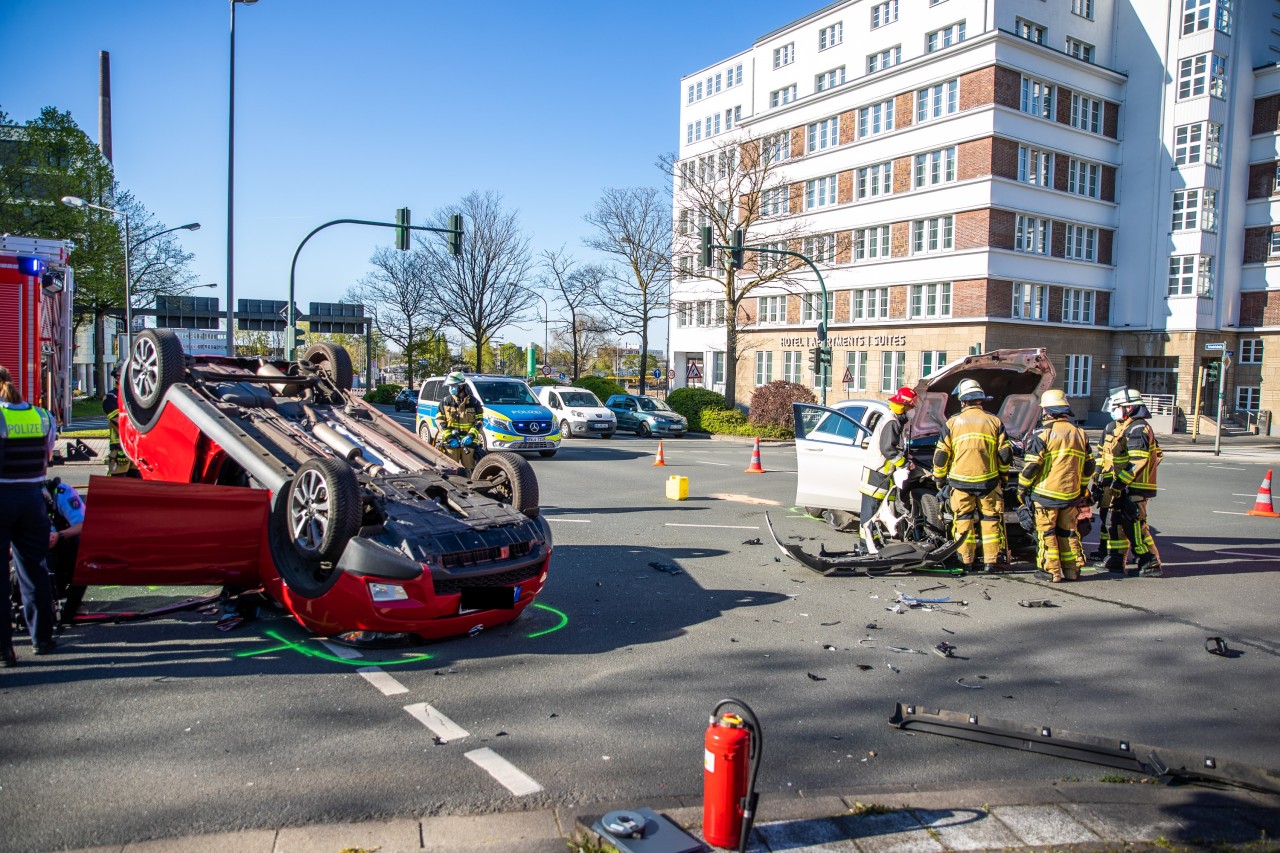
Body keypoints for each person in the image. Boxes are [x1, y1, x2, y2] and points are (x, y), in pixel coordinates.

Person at [0, 365, 59, 666]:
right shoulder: (41, 416)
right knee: (34, 570)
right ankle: (43, 638)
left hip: (3, 497)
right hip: (33, 499)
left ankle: (3, 649)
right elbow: (47, 456)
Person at [932, 379, 1012, 573]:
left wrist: (939, 479)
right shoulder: (994, 421)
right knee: (991, 520)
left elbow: (941, 456)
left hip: (960, 482)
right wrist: (1004, 476)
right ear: (980, 400)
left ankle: (966, 561)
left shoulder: (952, 423)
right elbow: (1005, 454)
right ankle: (990, 562)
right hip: (988, 481)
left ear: (962, 401)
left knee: (963, 520)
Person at [1018, 389, 1095, 583]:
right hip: (1071, 494)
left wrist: (1022, 489)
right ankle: (1072, 570)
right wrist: (1082, 487)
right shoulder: (1080, 434)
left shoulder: (1043, 435)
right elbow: (1089, 465)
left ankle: (1050, 571)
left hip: (1046, 495)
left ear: (1048, 412)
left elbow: (1031, 468)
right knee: (1069, 531)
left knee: (1047, 533)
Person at [1101, 388, 1163, 577]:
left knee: (1135, 525)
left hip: (1134, 487)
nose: (1115, 410)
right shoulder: (1125, 426)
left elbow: (1137, 461)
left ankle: (1150, 562)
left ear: (1130, 407)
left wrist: (1120, 483)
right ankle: (1117, 559)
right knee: (1116, 523)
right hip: (1124, 486)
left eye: (1118, 407)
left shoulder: (1138, 428)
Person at [857, 386, 916, 554]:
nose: (912, 411)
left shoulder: (892, 419)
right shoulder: (891, 422)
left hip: (880, 472)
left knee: (874, 511)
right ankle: (865, 546)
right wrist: (904, 463)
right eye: (911, 407)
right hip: (878, 473)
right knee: (871, 511)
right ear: (903, 406)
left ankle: (872, 544)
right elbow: (888, 449)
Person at [1088, 389, 1131, 563]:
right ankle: (1104, 549)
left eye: (1117, 407)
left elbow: (1149, 458)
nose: (1114, 411)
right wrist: (1097, 473)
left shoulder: (1134, 428)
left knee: (1118, 520)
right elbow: (1101, 454)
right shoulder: (1110, 427)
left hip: (1123, 482)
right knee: (1106, 517)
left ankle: (1119, 555)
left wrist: (1126, 480)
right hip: (1108, 480)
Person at [436, 372, 483, 471]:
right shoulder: (445, 402)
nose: (450, 388)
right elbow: (440, 421)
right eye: (450, 386)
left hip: (468, 444)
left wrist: (470, 436)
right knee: (450, 470)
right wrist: (449, 438)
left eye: (453, 386)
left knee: (470, 469)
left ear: (461, 386)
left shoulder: (474, 403)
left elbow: (479, 422)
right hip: (451, 444)